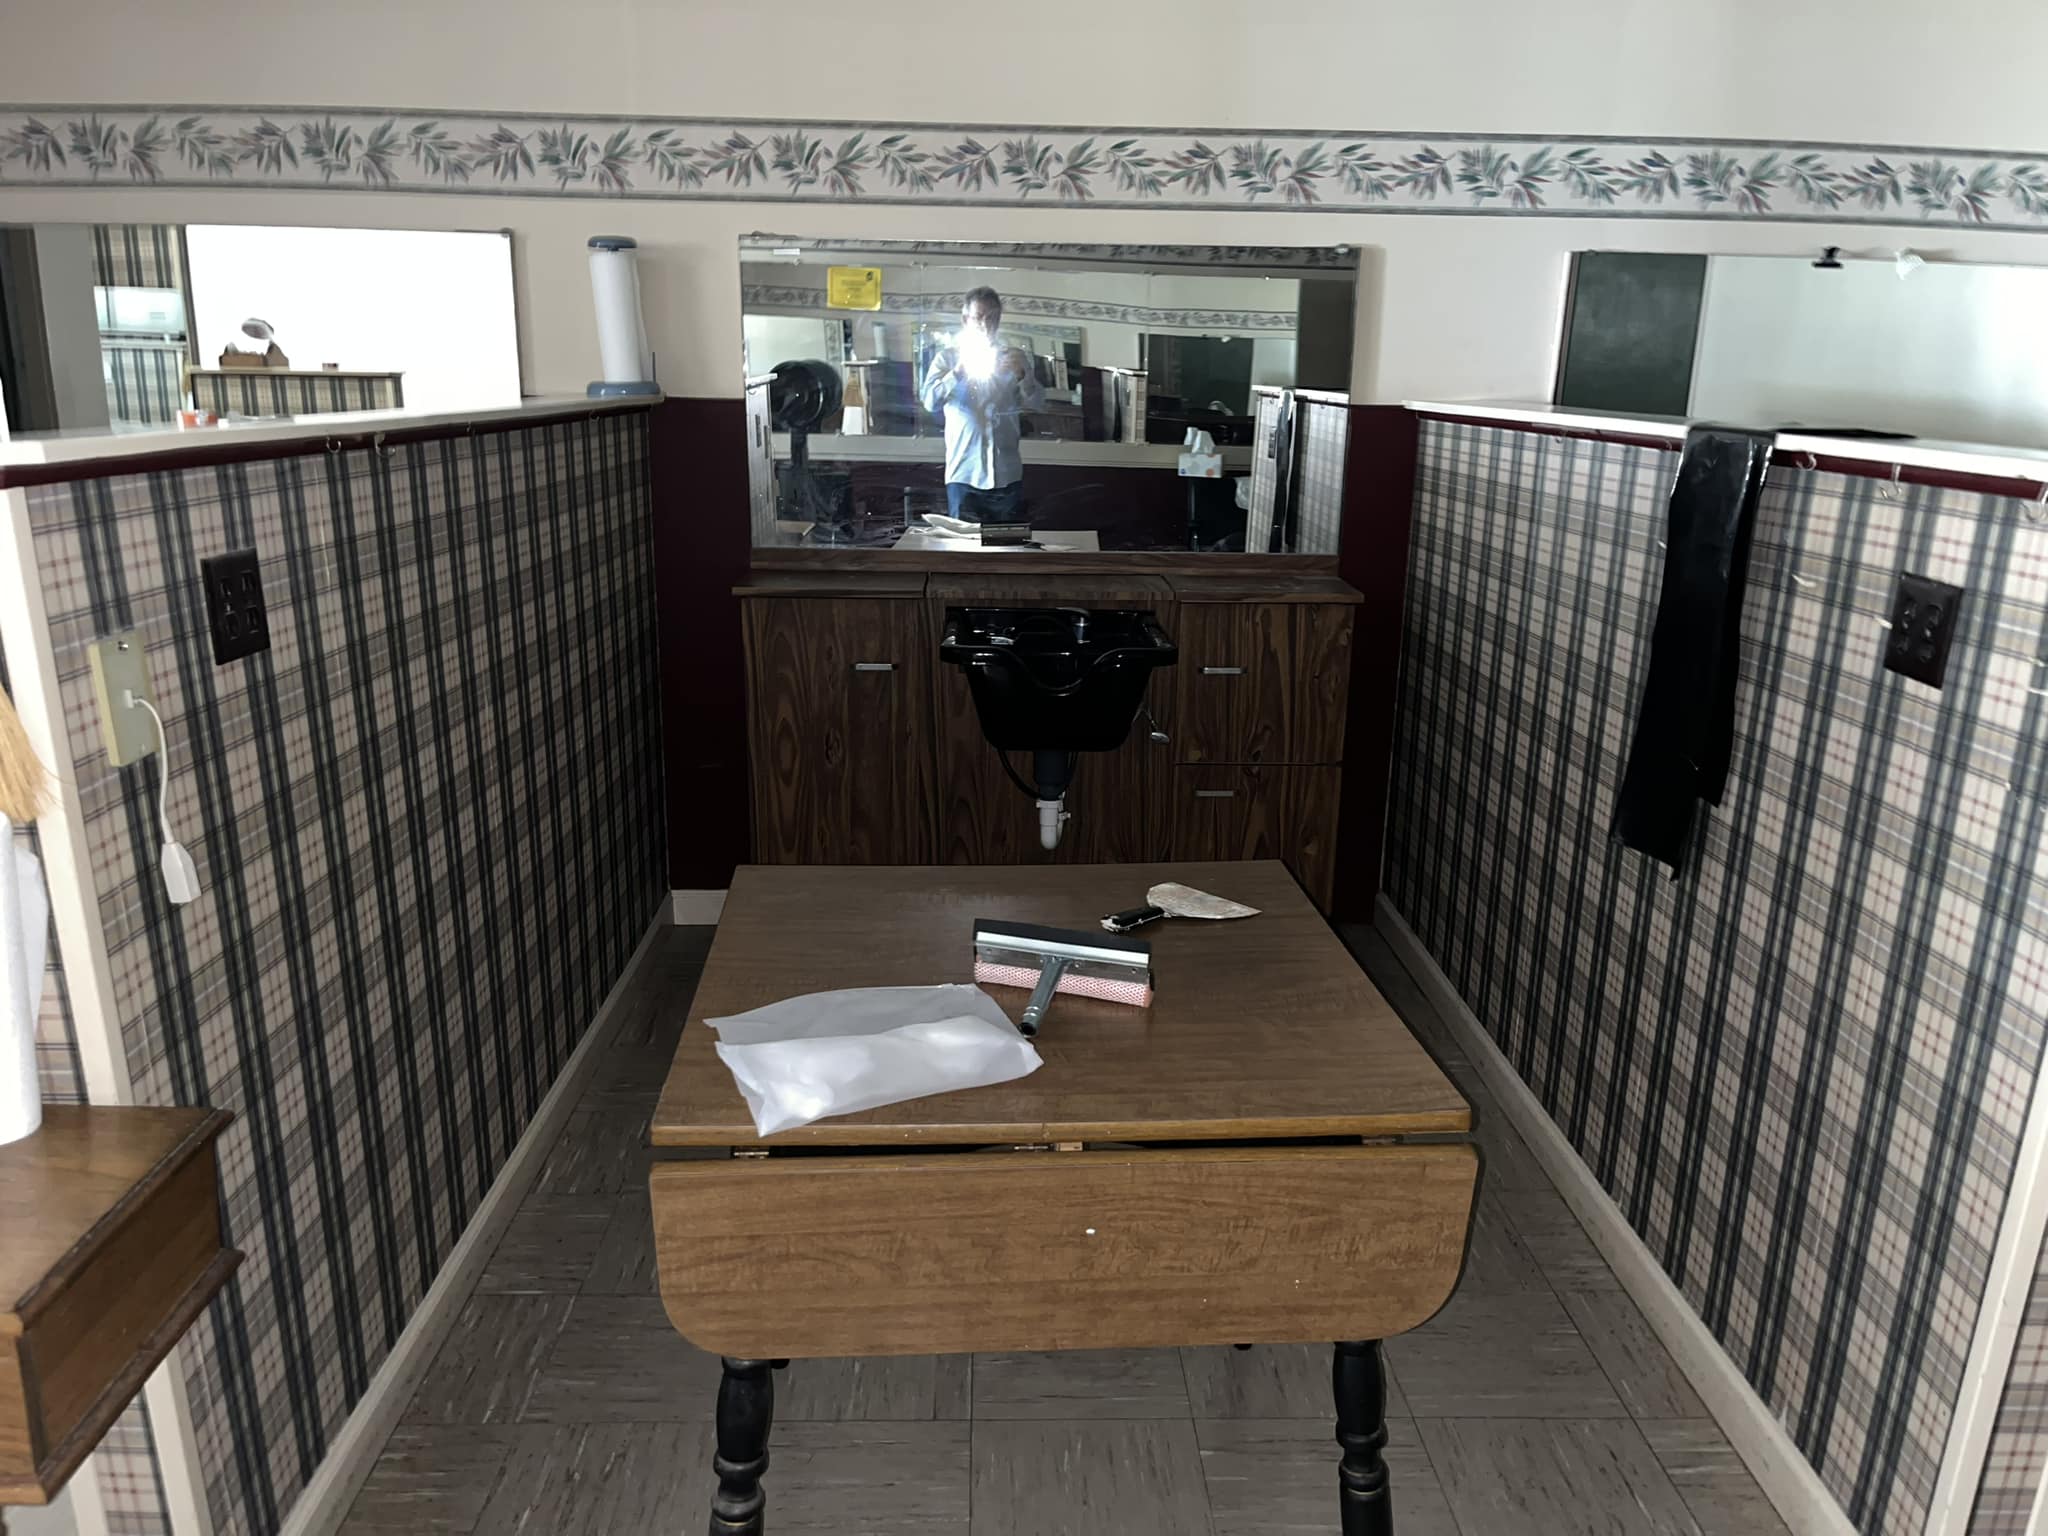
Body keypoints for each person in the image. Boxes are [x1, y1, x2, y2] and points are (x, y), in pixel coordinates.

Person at [918, 286, 1044, 522]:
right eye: (978, 317)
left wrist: (1023, 377)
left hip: (1006, 474)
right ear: (965, 319)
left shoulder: (1014, 358)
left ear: (999, 319)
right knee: (963, 544)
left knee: (1006, 543)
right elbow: (929, 402)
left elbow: (1039, 403)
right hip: (963, 475)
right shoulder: (946, 359)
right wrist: (956, 373)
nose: (985, 325)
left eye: (992, 318)